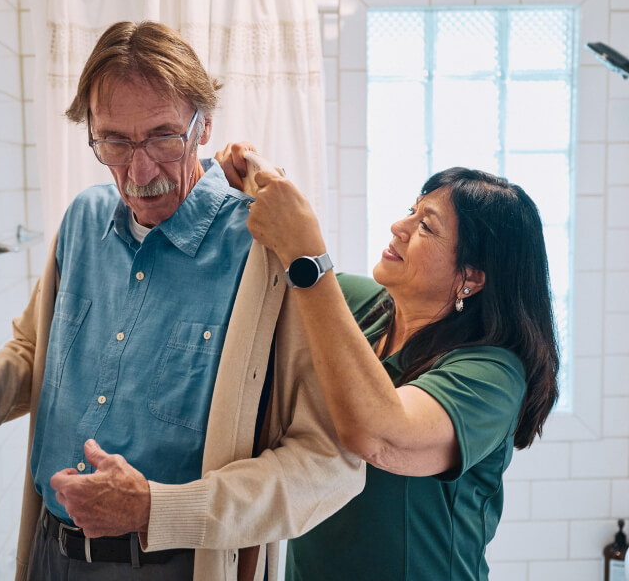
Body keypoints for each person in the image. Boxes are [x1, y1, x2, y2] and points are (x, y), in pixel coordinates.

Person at [0, 21, 364, 581]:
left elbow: (328, 465)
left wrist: (155, 510)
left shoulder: (264, 251)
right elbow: (32, 351)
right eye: (113, 140)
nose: (138, 172)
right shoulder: (83, 221)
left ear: (204, 124)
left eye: (164, 136)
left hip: (180, 565)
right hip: (49, 553)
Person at [222, 155, 559, 580]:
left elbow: (378, 435)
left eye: (426, 226)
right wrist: (246, 175)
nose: (399, 228)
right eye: (411, 210)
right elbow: (260, 278)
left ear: (470, 278)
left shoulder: (492, 374)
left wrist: (308, 255)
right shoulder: (362, 307)